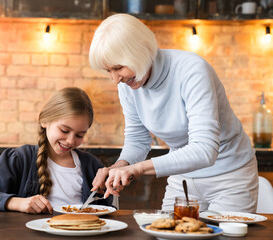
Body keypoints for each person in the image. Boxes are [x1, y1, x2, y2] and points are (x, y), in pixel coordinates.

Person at [89, 13, 258, 212]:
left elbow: (205, 150)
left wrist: (139, 168)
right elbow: (137, 140)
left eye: (118, 68)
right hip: (183, 176)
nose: (115, 79)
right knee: (165, 232)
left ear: (140, 51)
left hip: (230, 176)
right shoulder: (128, 84)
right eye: (108, 71)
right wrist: (119, 167)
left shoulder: (191, 70)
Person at [0, 87, 112, 214]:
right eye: (64, 130)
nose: (71, 141)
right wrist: (16, 203)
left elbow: (105, 209)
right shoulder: (20, 158)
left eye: (80, 135)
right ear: (44, 121)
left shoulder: (91, 165)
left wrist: (109, 188)